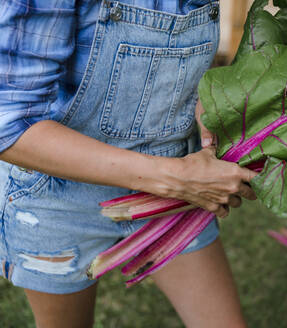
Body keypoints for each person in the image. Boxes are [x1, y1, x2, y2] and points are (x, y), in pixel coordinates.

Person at [0, 0, 255, 327]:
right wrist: (175, 179)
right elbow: (9, 123)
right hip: (57, 202)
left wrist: (206, 101)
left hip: (174, 198)